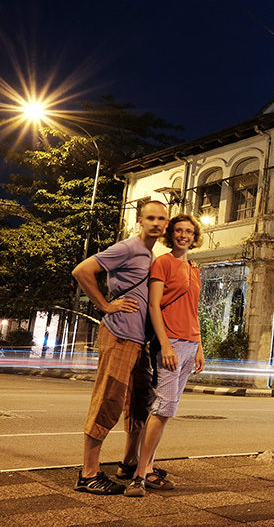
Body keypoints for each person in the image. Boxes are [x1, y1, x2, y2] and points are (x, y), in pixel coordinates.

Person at [72, 200, 168, 495]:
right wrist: (105, 305)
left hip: (138, 341)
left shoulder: (150, 254)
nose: (156, 223)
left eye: (161, 219)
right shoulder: (128, 247)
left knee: (141, 402)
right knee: (108, 401)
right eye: (150, 218)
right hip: (119, 335)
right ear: (140, 220)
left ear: (166, 223)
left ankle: (129, 463)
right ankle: (88, 473)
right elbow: (82, 271)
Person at [125, 214, 205, 497]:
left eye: (189, 231)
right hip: (169, 342)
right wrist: (165, 345)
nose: (184, 235)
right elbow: (154, 307)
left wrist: (199, 348)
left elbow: (193, 311)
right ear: (171, 235)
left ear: (195, 236)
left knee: (165, 411)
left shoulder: (194, 268)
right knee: (161, 409)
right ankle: (139, 474)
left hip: (189, 344)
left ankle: (146, 467)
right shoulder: (163, 263)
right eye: (179, 231)